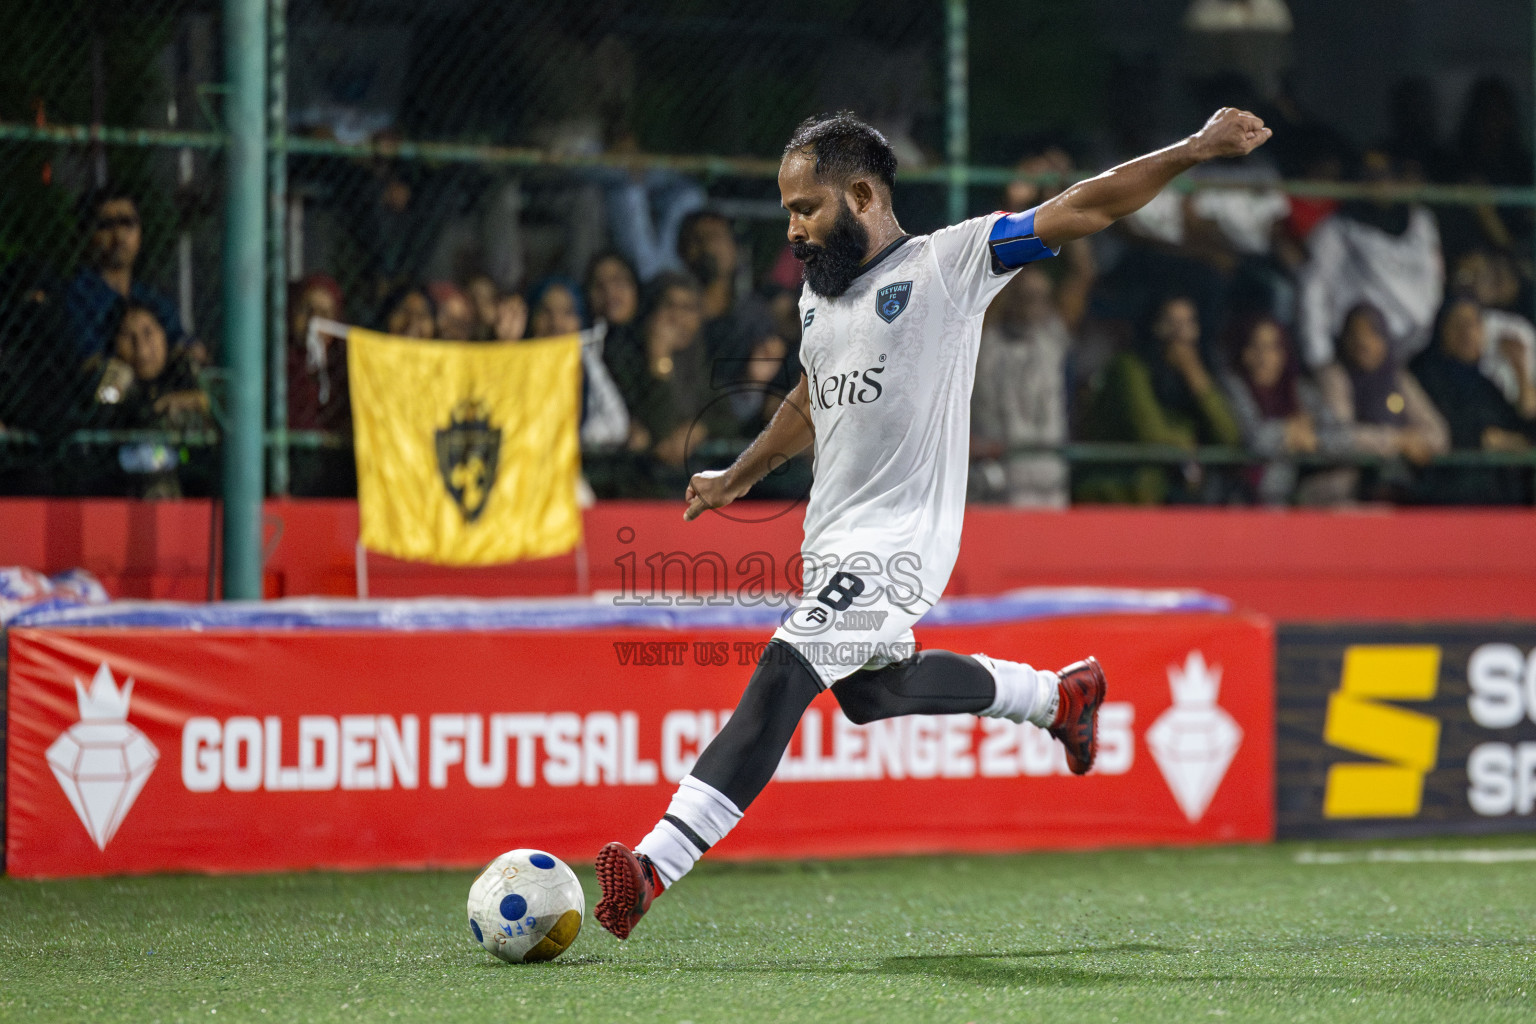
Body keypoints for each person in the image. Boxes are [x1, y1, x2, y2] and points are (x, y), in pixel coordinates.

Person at [592, 106, 1274, 939]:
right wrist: (740, 474)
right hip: (832, 540)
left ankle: (655, 864)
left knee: (785, 669)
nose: (793, 228)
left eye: (805, 208)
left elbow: (1086, 206)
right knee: (875, 692)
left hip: (901, 542)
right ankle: (1061, 697)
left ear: (864, 194)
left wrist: (1196, 148)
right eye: (787, 212)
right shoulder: (816, 299)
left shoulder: (952, 263)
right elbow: (809, 398)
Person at [1076, 295, 1242, 504]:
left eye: (1189, 323)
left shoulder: (1198, 377)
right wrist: (1190, 443)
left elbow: (1229, 436)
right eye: (1171, 323)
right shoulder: (1128, 368)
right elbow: (1151, 433)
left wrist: (1197, 379)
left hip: (1170, 501)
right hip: (1117, 498)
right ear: (1153, 327)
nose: (1180, 334)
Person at [1294, 148, 1444, 368]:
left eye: (1385, 174)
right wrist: (1320, 358)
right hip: (1354, 354)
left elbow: (1433, 283)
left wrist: (1412, 349)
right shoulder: (1337, 229)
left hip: (1408, 354)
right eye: (1370, 177)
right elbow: (1313, 289)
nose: (1379, 184)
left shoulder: (1421, 222)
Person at [1410, 296, 1536, 504]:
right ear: (1442, 330)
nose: (1467, 332)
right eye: (1458, 324)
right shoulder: (1424, 377)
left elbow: (1525, 431)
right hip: (1448, 499)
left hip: (1502, 505)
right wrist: (1491, 439)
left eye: (1474, 324)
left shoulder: (1486, 384)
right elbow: (1450, 432)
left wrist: (1521, 373)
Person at [1315, 303, 1447, 500]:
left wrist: (1416, 441)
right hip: (1344, 495)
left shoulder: (1397, 378)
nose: (1363, 342)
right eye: (1355, 335)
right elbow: (1339, 436)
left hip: (1398, 491)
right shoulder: (1333, 376)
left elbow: (1439, 435)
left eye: (1372, 334)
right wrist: (1397, 441)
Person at [1218, 315, 1349, 504]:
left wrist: (1315, 440)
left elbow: (1343, 436)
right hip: (1239, 505)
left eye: (1272, 348)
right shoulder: (1232, 387)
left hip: (1295, 507)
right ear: (1242, 351)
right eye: (1255, 347)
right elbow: (1253, 438)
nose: (1263, 357)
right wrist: (1287, 431)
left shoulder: (1299, 392)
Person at [64, 188, 185, 361]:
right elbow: (93, 365)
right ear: (88, 234)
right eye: (105, 225)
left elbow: (185, 345)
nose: (119, 236)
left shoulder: (150, 295)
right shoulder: (77, 296)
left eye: (127, 223)